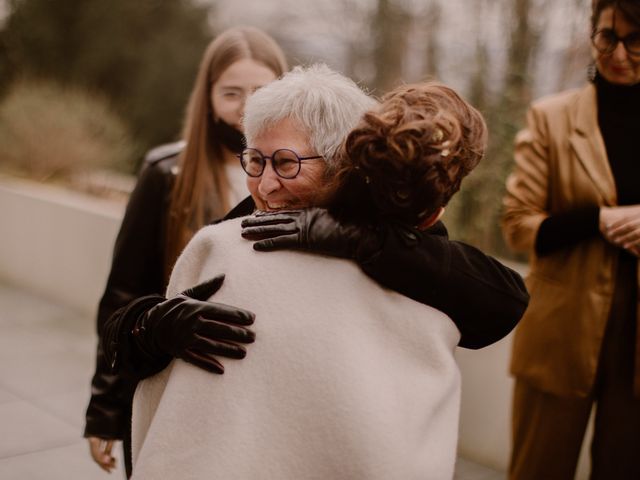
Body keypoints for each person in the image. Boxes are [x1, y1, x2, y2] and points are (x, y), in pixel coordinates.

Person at [128, 66, 487, 479]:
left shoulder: (410, 254)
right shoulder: (233, 237)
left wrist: (364, 243)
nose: (265, 186)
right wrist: (144, 328)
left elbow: (502, 299)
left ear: (341, 165)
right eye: (255, 161)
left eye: (286, 163)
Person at [83, 26, 288, 476]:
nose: (248, 105)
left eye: (263, 91)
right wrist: (106, 407)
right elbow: (124, 292)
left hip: (262, 392)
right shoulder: (167, 173)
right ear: (208, 95)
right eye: (232, 92)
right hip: (175, 379)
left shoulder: (309, 177)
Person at [502, 0, 640, 477]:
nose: (619, 53)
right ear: (592, 34)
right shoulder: (551, 117)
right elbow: (517, 224)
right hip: (560, 333)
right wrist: (599, 220)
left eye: (635, 40)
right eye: (608, 37)